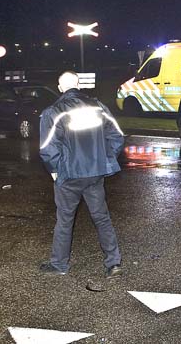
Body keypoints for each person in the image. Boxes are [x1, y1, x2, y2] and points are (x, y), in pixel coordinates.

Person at [38, 71, 125, 278]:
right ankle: (114, 263)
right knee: (101, 218)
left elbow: (47, 147)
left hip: (69, 174)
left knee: (65, 220)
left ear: (60, 88)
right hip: (95, 173)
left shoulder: (54, 111)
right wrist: (105, 159)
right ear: (78, 84)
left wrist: (55, 170)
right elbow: (117, 136)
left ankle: (59, 265)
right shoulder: (98, 107)